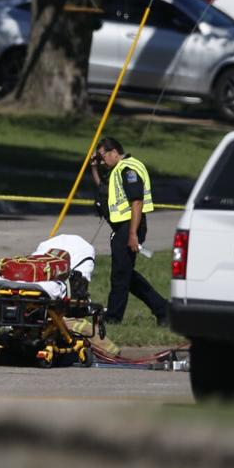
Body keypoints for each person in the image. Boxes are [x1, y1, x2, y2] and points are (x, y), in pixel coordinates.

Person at [88, 137, 169, 326]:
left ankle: (113, 317)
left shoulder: (128, 170)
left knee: (120, 275)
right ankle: (163, 309)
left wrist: (132, 234)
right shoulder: (117, 170)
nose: (102, 161)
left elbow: (137, 202)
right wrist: (94, 167)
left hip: (130, 226)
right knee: (125, 274)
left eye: (102, 156)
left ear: (114, 152)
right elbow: (103, 189)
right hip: (122, 228)